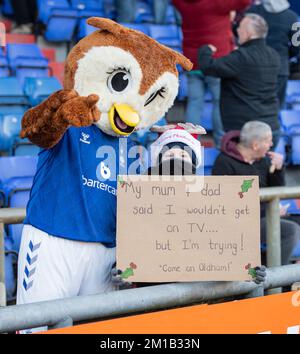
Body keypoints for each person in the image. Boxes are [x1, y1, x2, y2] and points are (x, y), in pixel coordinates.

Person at [212, 121, 300, 265]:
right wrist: (271, 212)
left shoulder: (264, 160)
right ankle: (275, 277)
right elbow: (224, 205)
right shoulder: (224, 163)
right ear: (255, 145)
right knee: (290, 231)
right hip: (241, 223)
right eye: (268, 141)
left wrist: (278, 169)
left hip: (266, 215)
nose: (271, 145)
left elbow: (277, 190)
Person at [173, 0, 252, 148]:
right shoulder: (216, 3)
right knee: (219, 102)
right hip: (216, 60)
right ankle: (222, 144)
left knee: (195, 102)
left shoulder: (182, 3)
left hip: (193, 60)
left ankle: (190, 142)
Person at [198, 14, 281, 147]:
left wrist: (206, 50)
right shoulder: (274, 55)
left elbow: (208, 67)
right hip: (271, 127)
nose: (237, 30)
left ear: (247, 32)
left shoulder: (241, 57)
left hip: (246, 131)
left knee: (241, 168)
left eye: (240, 27)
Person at [247, 0, 300, 108]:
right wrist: (287, 56)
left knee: (254, 106)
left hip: (255, 67)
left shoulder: (253, 12)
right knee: (277, 107)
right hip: (281, 67)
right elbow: (297, 45)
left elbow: (243, 37)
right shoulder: (293, 17)